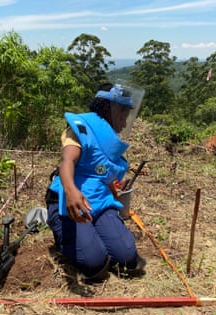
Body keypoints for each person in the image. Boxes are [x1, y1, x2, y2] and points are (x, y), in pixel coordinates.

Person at [45, 81, 146, 283]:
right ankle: (62, 232)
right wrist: (72, 190)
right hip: (70, 202)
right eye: (121, 115)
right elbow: (68, 161)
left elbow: (102, 172)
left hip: (99, 202)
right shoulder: (82, 128)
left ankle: (92, 237)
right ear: (108, 108)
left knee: (127, 258)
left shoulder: (111, 141)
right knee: (93, 263)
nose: (124, 123)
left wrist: (115, 187)